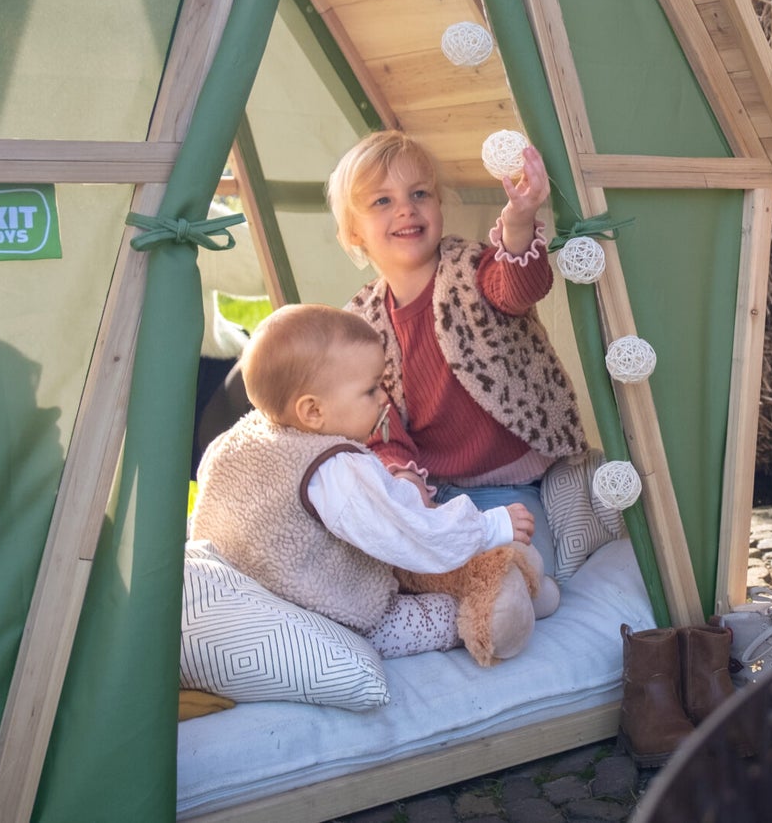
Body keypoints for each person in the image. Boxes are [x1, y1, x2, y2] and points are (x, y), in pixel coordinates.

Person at [191, 303, 547, 660]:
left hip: (252, 603)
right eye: (371, 390)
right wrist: (489, 526)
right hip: (327, 616)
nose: (383, 398)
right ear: (313, 411)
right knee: (437, 613)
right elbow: (407, 533)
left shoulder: (235, 441)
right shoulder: (335, 469)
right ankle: (505, 608)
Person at [328, 130, 589, 578]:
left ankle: (512, 588)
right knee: (404, 565)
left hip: (509, 480)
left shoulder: (471, 268)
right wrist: (403, 478)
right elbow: (377, 422)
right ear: (354, 231)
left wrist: (520, 223)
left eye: (419, 193)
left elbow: (519, 288)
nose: (406, 208)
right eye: (382, 202)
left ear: (439, 205)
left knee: (524, 566)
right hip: (435, 486)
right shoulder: (363, 323)